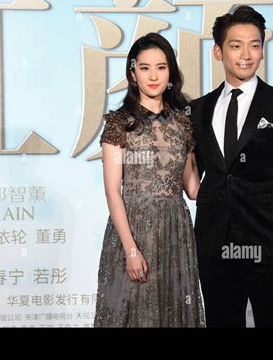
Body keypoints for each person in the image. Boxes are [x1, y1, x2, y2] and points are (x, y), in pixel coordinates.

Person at [190, 6, 273, 327]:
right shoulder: (198, 110)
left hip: (270, 248)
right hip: (214, 248)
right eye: (236, 45)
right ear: (218, 51)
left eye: (255, 45)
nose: (246, 54)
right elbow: (197, 179)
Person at [94, 33, 205, 327]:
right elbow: (112, 191)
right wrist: (131, 248)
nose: (153, 76)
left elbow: (192, 189)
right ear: (132, 73)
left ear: (171, 72)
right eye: (144, 68)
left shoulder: (183, 121)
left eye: (161, 67)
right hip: (132, 231)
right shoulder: (120, 122)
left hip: (175, 233)